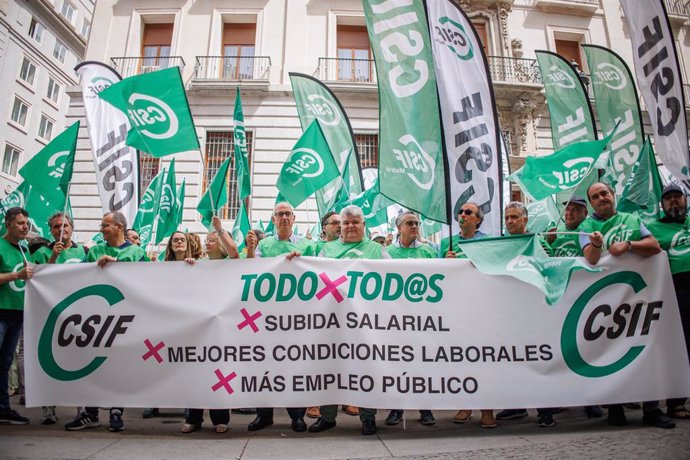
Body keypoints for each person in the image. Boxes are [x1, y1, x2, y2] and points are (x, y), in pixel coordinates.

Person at [579, 182, 674, 429]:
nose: (601, 198)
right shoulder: (587, 226)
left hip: (638, 298)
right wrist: (598, 244)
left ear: (613, 195)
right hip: (604, 301)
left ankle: (651, 409)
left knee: (644, 351)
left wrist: (629, 245)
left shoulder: (633, 220)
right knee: (611, 353)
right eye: (595, 197)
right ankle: (615, 409)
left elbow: (654, 245)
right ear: (591, 204)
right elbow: (590, 257)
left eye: (604, 193)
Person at [310, 205, 390, 436]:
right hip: (332, 321)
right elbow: (314, 279)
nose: (350, 226)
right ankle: (328, 417)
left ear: (364, 226)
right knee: (329, 367)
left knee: (366, 368)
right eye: (346, 222)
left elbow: (394, 278)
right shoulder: (326, 250)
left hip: (366, 322)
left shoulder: (377, 250)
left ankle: (368, 417)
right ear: (339, 227)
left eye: (355, 222)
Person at [65, 211, 146, 432]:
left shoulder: (137, 252)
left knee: (118, 366)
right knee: (92, 365)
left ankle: (116, 411)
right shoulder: (94, 251)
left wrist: (117, 264)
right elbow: (78, 277)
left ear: (119, 227)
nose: (101, 229)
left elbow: (147, 280)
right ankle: (90, 412)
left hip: (124, 319)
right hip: (96, 319)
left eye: (105, 225)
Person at [244, 202, 309, 433]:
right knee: (264, 364)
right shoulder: (264, 244)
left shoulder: (307, 245)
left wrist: (302, 261)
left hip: (297, 317)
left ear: (294, 218)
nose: (283, 218)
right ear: (273, 220)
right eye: (279, 214)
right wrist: (251, 249)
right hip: (267, 317)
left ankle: (297, 415)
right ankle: (264, 415)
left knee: (294, 365)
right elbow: (251, 270)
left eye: (287, 214)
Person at [494, 202, 555, 427]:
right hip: (509, 312)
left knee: (538, 359)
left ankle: (545, 411)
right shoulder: (500, 243)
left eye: (514, 218)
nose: (510, 221)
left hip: (534, 311)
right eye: (507, 218)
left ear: (525, 220)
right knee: (511, 359)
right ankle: (516, 406)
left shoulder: (537, 242)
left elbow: (549, 265)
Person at [437, 203, 496, 428]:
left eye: (468, 212)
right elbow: (434, 274)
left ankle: (487, 409)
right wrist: (445, 265)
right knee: (460, 358)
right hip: (455, 309)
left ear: (478, 220)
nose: (463, 215)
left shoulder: (488, 242)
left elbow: (493, 268)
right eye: (460, 212)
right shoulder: (445, 243)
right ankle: (465, 405)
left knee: (482, 358)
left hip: (481, 308)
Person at [32, 213, 87, 424]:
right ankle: (48, 406)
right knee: (48, 360)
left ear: (72, 228)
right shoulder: (42, 252)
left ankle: (82, 406)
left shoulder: (83, 251)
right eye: (56, 227)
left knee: (78, 361)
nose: (60, 230)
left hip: (78, 315)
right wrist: (53, 257)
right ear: (50, 230)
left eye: (64, 226)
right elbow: (38, 277)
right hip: (49, 314)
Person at [383, 211, 436, 427]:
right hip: (394, 318)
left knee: (422, 362)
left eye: (416, 223)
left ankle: (425, 408)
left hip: (423, 317)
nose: (414, 226)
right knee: (397, 363)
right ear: (399, 228)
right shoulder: (386, 253)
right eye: (409, 223)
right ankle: (397, 408)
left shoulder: (430, 251)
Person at [643, 183, 690, 420]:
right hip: (678, 290)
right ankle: (676, 403)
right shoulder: (655, 229)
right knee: (682, 347)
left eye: (677, 197)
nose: (674, 201)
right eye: (669, 198)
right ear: (662, 205)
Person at [0, 208, 33, 425]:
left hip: (17, 313)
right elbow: (17, 276)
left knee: (4, 362)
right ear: (8, 223)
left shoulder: (24, 250)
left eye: (26, 224)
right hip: (1, 312)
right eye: (20, 223)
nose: (25, 227)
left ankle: (3, 408)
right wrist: (16, 275)